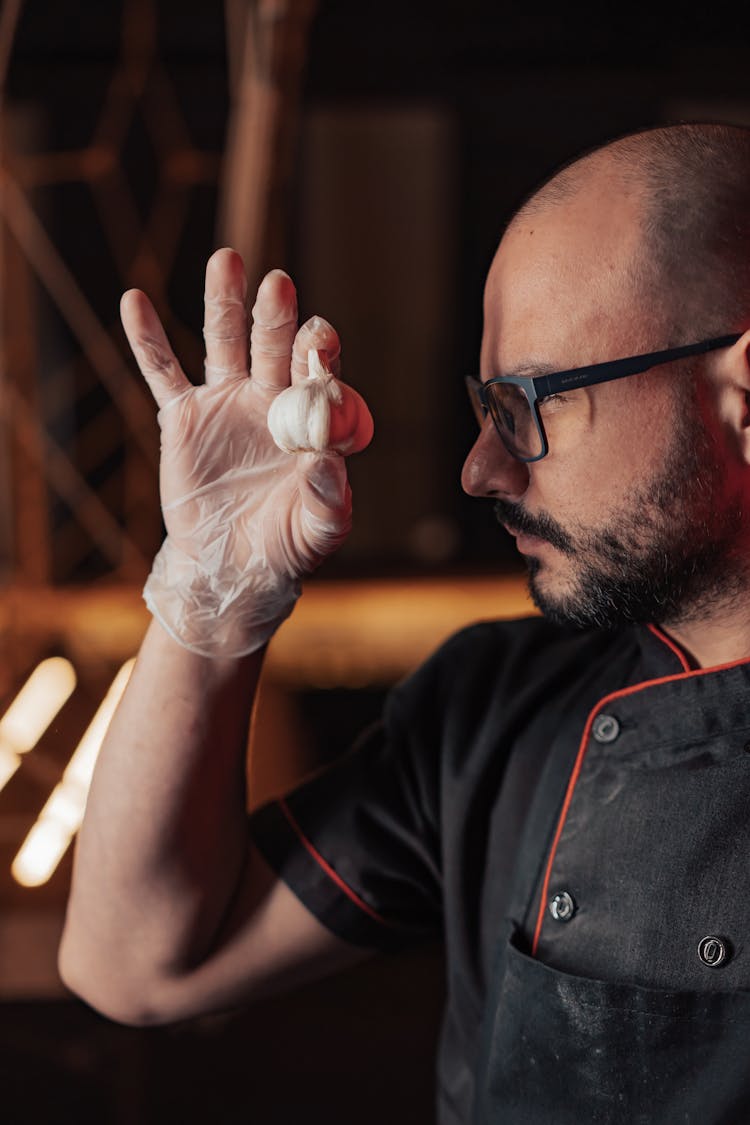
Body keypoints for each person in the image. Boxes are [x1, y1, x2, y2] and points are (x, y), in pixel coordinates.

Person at [59, 122, 750, 1124]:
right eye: (485, 405)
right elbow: (135, 965)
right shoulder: (496, 709)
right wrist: (214, 591)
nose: (482, 470)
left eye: (525, 403)